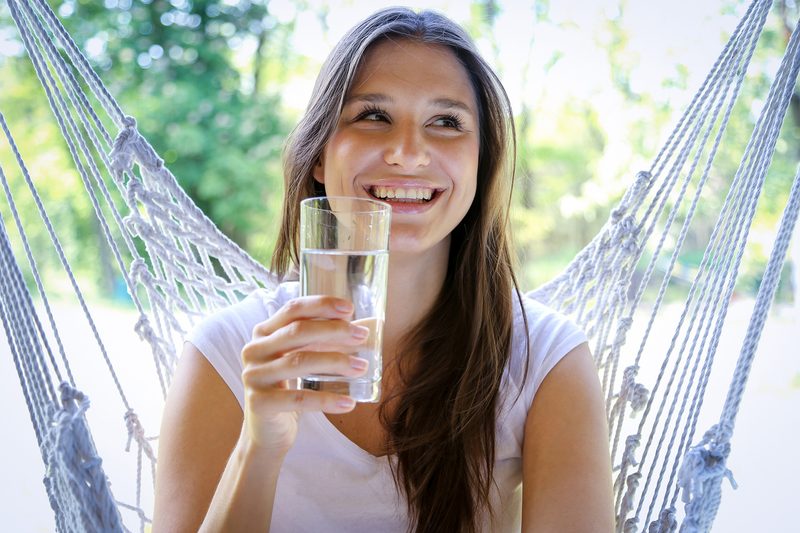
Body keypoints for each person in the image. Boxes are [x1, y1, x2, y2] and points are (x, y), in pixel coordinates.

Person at [153, 6, 614, 533]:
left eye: (446, 122)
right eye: (373, 116)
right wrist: (259, 447)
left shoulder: (545, 362)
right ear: (320, 157)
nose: (408, 153)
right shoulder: (227, 353)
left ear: (481, 162)